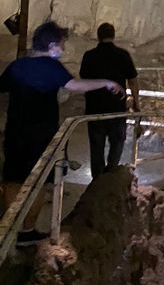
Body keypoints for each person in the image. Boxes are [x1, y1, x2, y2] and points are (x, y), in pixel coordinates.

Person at [0, 21, 124, 246]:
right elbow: (75, 86)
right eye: (62, 44)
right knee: (39, 182)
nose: (63, 49)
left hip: (15, 133)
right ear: (51, 45)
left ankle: (8, 228)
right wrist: (106, 82)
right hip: (41, 136)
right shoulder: (51, 67)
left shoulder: (17, 67)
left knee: (13, 179)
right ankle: (26, 231)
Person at [80, 23, 139, 180]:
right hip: (116, 108)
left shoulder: (89, 55)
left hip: (94, 109)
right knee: (117, 143)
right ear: (113, 36)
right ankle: (111, 174)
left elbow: (84, 80)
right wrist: (136, 104)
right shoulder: (122, 55)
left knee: (96, 147)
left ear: (98, 36)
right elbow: (133, 81)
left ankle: (97, 181)